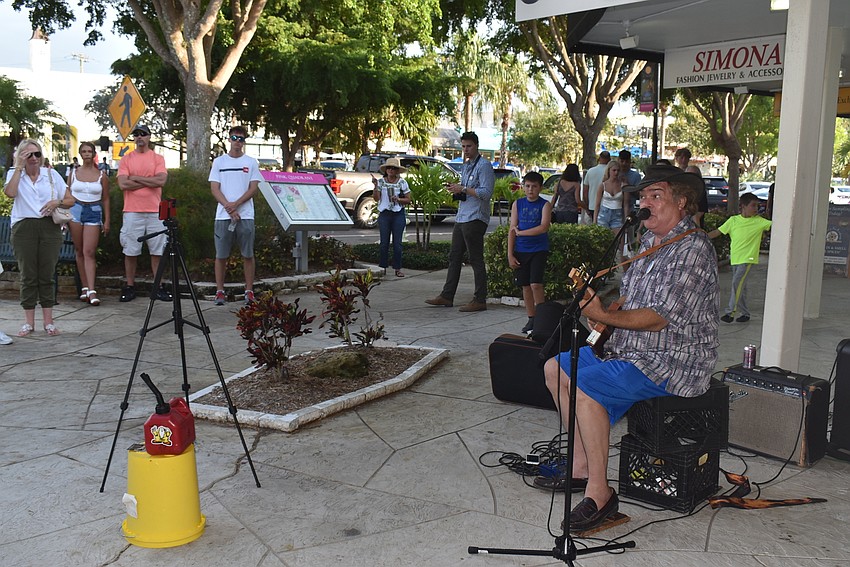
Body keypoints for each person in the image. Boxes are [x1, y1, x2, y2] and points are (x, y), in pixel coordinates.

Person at [539, 164, 718, 532]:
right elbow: (633, 298)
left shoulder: (693, 248)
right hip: (629, 350)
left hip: (671, 360)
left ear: (682, 203)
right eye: (643, 196)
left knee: (586, 387)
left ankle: (600, 493)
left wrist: (606, 313)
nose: (646, 203)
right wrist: (605, 317)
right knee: (555, 368)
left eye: (656, 196)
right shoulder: (649, 243)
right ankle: (581, 466)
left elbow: (658, 317)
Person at [3, 139, 74, 336]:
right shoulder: (14, 174)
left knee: (47, 273)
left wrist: (56, 202)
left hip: (49, 226)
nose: (34, 158)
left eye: (37, 154)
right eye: (29, 155)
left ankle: (49, 322)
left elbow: (70, 200)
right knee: (28, 274)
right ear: (21, 157)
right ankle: (28, 322)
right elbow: (9, 193)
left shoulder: (51, 174)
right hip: (24, 227)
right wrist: (18, 167)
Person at [425, 131, 494, 312]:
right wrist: (456, 190)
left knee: (475, 259)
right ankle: (447, 296)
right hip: (462, 216)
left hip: (476, 217)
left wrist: (463, 188)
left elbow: (486, 194)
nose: (466, 150)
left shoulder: (484, 165)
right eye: (463, 146)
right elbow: (467, 191)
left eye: (469, 146)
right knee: (454, 257)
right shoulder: (466, 165)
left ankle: (480, 299)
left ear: (476, 145)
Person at [209, 125, 264, 306]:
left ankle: (249, 290)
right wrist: (228, 207)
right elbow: (214, 188)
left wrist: (236, 205)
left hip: (246, 215)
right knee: (221, 255)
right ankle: (219, 291)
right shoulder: (219, 162)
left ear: (244, 142)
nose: (237, 142)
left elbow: (253, 188)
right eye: (234, 138)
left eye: (241, 139)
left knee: (247, 254)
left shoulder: (251, 162)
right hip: (223, 216)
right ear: (229, 139)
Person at [117, 125, 170, 302]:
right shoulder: (126, 159)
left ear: (149, 137)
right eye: (136, 134)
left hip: (155, 211)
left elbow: (161, 180)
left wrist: (136, 178)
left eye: (143, 134)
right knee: (131, 250)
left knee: (157, 251)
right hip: (132, 211)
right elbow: (123, 184)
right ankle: (130, 286)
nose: (140, 137)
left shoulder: (158, 158)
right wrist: (150, 181)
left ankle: (159, 286)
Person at [708, 192, 772, 323]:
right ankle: (745, 313)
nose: (756, 209)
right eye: (753, 206)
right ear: (743, 206)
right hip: (735, 259)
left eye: (757, 206)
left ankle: (730, 313)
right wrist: (700, 236)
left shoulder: (760, 222)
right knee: (740, 287)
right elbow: (717, 232)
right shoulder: (733, 221)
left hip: (747, 260)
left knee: (736, 284)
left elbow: (777, 226)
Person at [508, 171, 552, 333]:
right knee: (525, 286)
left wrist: (522, 233)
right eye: (527, 186)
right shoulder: (517, 204)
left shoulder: (544, 205)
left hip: (538, 250)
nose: (530, 189)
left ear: (540, 188)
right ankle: (531, 318)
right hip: (521, 250)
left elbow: (544, 227)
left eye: (534, 186)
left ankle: (542, 319)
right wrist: (510, 254)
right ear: (523, 187)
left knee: (536, 284)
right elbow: (512, 229)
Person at [68, 141, 110, 306]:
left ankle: (92, 290)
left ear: (93, 154)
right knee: (79, 250)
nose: (86, 154)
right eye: (83, 151)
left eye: (89, 151)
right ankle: (85, 287)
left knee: (89, 251)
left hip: (93, 210)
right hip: (76, 209)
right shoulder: (73, 173)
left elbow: (106, 199)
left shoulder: (102, 175)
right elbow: (67, 193)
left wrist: (107, 221)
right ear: (80, 153)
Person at [372, 157, 411, 278]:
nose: (391, 170)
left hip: (398, 213)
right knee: (384, 243)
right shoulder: (381, 182)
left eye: (393, 168)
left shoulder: (402, 182)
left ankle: (397, 268)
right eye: (389, 168)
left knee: (397, 243)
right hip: (384, 213)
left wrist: (398, 199)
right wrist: (375, 186)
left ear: (397, 171)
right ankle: (383, 267)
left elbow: (408, 199)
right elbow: (376, 198)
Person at [594, 161, 630, 232]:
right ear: (609, 171)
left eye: (618, 170)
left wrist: (626, 220)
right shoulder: (603, 185)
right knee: (603, 238)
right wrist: (594, 220)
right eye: (614, 170)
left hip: (617, 214)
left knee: (618, 239)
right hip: (604, 213)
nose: (616, 173)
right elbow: (597, 205)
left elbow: (626, 204)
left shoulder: (624, 186)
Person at [581, 151, 610, 224]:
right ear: (609, 159)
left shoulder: (590, 171)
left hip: (592, 206)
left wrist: (586, 206)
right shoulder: (611, 172)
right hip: (607, 206)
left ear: (599, 158)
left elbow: (585, 191)